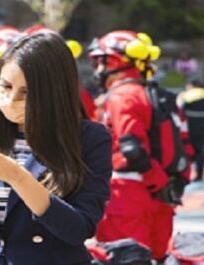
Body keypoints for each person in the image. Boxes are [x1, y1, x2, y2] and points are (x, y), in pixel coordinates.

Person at [0, 32, 112, 265]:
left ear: (54, 93)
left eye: (26, 92)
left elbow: (78, 229)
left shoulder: (89, 138)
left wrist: (16, 176)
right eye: (5, 86)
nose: (11, 98)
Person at [88, 30, 176, 262]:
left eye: (100, 61)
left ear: (116, 61)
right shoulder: (147, 93)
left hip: (126, 194)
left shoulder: (122, 96)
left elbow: (132, 148)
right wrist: (162, 186)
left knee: (125, 256)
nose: (98, 69)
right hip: (152, 191)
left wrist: (156, 182)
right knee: (151, 256)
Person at [178, 78, 204, 181]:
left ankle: (187, 174)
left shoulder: (184, 95)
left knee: (188, 148)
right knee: (200, 150)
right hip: (202, 125)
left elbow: (179, 109)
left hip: (189, 125)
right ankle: (199, 173)